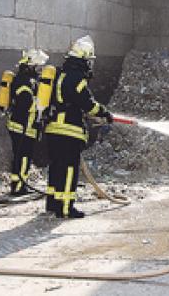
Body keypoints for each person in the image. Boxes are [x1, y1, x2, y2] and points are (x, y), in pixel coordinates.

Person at [44, 35, 113, 218]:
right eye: (89, 60)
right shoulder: (77, 78)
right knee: (69, 169)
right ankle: (66, 207)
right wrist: (104, 112)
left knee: (56, 166)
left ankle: (53, 204)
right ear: (84, 59)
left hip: (52, 128)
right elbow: (87, 103)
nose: (90, 64)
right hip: (69, 130)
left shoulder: (60, 73)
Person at [5, 49, 48, 196]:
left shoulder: (21, 79)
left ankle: (17, 184)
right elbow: (26, 104)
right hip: (23, 127)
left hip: (18, 125)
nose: (39, 70)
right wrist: (39, 107)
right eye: (37, 67)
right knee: (23, 156)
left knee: (20, 155)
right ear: (30, 66)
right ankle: (19, 187)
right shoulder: (25, 82)